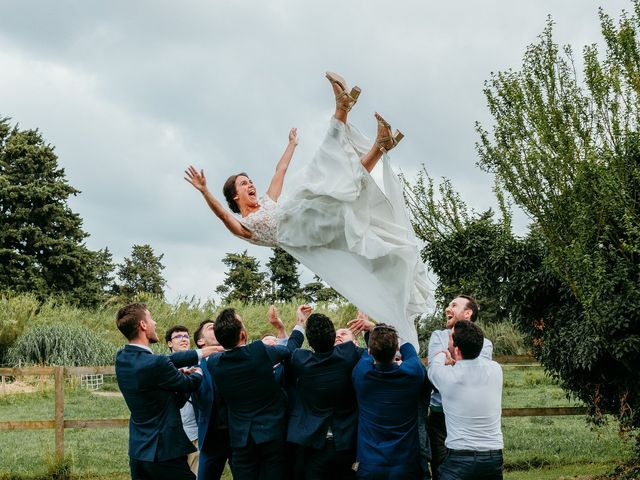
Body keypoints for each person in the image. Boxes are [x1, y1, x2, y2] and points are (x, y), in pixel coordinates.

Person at [185, 71, 430, 349]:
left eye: (250, 180)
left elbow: (280, 170)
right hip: (305, 230)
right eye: (244, 183)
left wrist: (291, 145)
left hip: (306, 212)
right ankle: (344, 112)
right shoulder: (245, 227)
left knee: (336, 180)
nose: (251, 184)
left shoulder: (267, 203)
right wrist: (205, 191)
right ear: (234, 195)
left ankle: (372, 139)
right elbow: (221, 216)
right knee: (326, 175)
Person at [115, 303, 215, 480]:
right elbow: (187, 385)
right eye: (151, 318)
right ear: (143, 325)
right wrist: (198, 371)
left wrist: (201, 353)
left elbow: (166, 362)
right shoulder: (156, 363)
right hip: (164, 452)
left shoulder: (122, 358)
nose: (154, 323)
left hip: (138, 452)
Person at [205, 306, 306, 479]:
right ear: (243, 334)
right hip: (272, 433)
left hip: (240, 438)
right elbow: (288, 350)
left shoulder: (213, 363)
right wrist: (299, 324)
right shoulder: (258, 351)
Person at [287, 309, 366, 480]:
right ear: (332, 337)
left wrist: (300, 324)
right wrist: (368, 328)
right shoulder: (350, 354)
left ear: (310, 341)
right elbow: (377, 351)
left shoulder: (301, 359)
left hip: (313, 441)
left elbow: (288, 350)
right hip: (346, 440)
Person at [427, 320, 504, 480]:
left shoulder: (447, 377)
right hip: (493, 457)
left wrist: (443, 355)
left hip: (459, 459)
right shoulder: (496, 370)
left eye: (450, 337)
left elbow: (433, 365)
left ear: (456, 349)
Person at [352, 323, 426, 479]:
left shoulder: (361, 374)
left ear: (370, 350)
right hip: (405, 464)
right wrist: (376, 328)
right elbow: (409, 349)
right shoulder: (414, 373)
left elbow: (368, 353)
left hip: (369, 464)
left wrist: (371, 331)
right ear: (396, 348)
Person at [191, 319, 230, 480]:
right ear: (201, 341)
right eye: (212, 328)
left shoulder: (234, 361)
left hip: (237, 434)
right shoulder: (194, 366)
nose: (217, 329)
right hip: (210, 437)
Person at [165, 325, 200, 477]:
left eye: (186, 336)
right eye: (178, 336)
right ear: (169, 343)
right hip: (172, 434)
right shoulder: (162, 368)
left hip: (196, 432)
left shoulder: (199, 367)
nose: (184, 339)